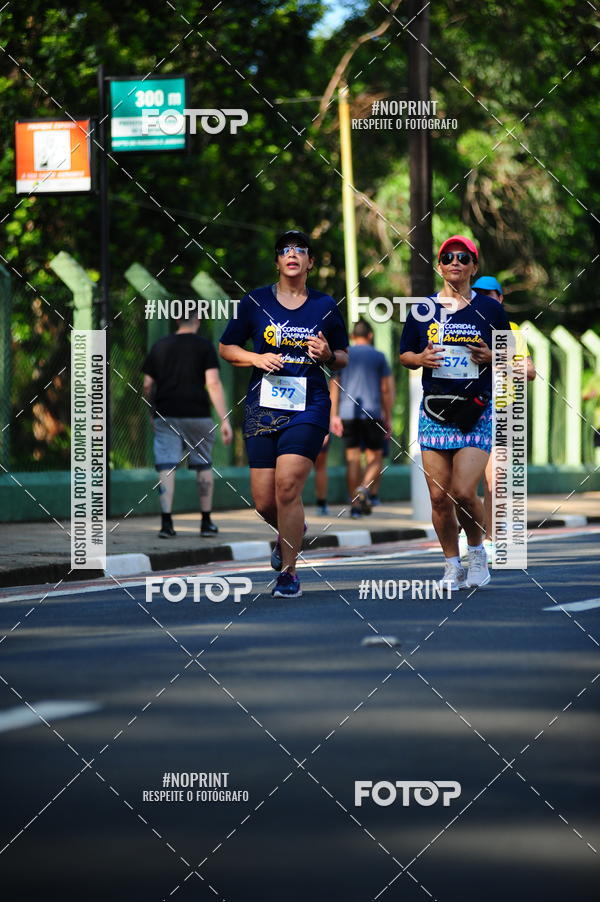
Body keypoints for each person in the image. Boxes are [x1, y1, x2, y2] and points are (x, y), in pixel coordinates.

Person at [219, 230, 349, 597]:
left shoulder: (324, 305)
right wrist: (255, 358)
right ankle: (293, 529)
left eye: (300, 250)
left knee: (287, 486)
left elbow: (343, 356)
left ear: (310, 262)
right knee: (264, 501)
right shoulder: (255, 302)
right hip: (263, 406)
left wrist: (327, 355)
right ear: (277, 261)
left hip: (309, 405)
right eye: (284, 250)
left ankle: (289, 573)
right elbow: (226, 347)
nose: (292, 254)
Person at [399, 235, 511, 589]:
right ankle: (451, 564)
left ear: (473, 266)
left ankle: (476, 552)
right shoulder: (423, 309)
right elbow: (404, 354)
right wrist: (420, 358)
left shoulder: (490, 309)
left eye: (463, 257)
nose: (455, 263)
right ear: (439, 266)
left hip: (476, 411)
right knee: (438, 497)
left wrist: (492, 355)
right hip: (434, 410)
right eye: (448, 257)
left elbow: (512, 357)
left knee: (463, 491)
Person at [142, 307, 233, 539]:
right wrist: (224, 419)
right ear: (198, 319)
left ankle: (166, 524)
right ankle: (206, 522)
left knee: (166, 465)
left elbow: (147, 385)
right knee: (203, 465)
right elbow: (213, 383)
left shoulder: (160, 346)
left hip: (166, 414)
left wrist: (153, 411)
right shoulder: (204, 346)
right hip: (197, 414)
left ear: (176, 318)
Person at [472, 276, 536, 549]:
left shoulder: (512, 331)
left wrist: (496, 359)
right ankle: (472, 531)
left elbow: (529, 372)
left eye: (490, 295)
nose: (485, 299)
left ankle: (491, 538)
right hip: (468, 410)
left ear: (500, 298)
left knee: (495, 479)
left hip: (501, 409)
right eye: (479, 294)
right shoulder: (466, 326)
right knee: (461, 485)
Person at [330, 320, 393, 518]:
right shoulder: (378, 356)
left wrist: (334, 415)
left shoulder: (344, 354)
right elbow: (385, 389)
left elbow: (334, 386)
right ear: (370, 335)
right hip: (373, 413)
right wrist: (388, 416)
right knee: (376, 457)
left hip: (347, 414)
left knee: (352, 459)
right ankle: (364, 487)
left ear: (352, 336)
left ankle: (355, 506)